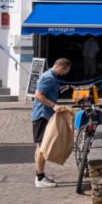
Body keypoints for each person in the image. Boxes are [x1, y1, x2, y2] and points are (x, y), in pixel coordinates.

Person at [32, 58, 71, 187]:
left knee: (40, 147)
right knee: (42, 148)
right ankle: (39, 179)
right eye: (65, 71)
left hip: (43, 115)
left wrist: (59, 89)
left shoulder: (51, 77)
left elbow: (47, 91)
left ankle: (40, 175)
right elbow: (38, 95)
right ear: (61, 67)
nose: (65, 74)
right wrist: (53, 105)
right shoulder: (49, 77)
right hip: (42, 115)